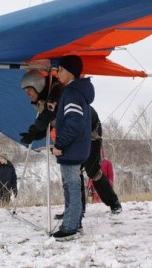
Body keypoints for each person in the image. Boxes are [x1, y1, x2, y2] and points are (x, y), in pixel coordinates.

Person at [20, 70, 122, 215]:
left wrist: (32, 131)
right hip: (71, 134)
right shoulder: (44, 101)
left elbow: (47, 116)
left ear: (38, 85)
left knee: (92, 170)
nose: (27, 94)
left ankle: (114, 203)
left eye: (28, 90)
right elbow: (48, 124)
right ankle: (75, 211)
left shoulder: (58, 92)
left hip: (90, 131)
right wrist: (33, 136)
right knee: (72, 171)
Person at [51, 55, 94, 241]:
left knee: (72, 187)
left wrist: (59, 144)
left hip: (71, 147)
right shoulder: (75, 92)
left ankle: (70, 227)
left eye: (60, 70)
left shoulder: (72, 93)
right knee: (72, 186)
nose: (58, 73)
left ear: (70, 71)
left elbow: (74, 123)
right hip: (77, 147)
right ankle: (74, 223)